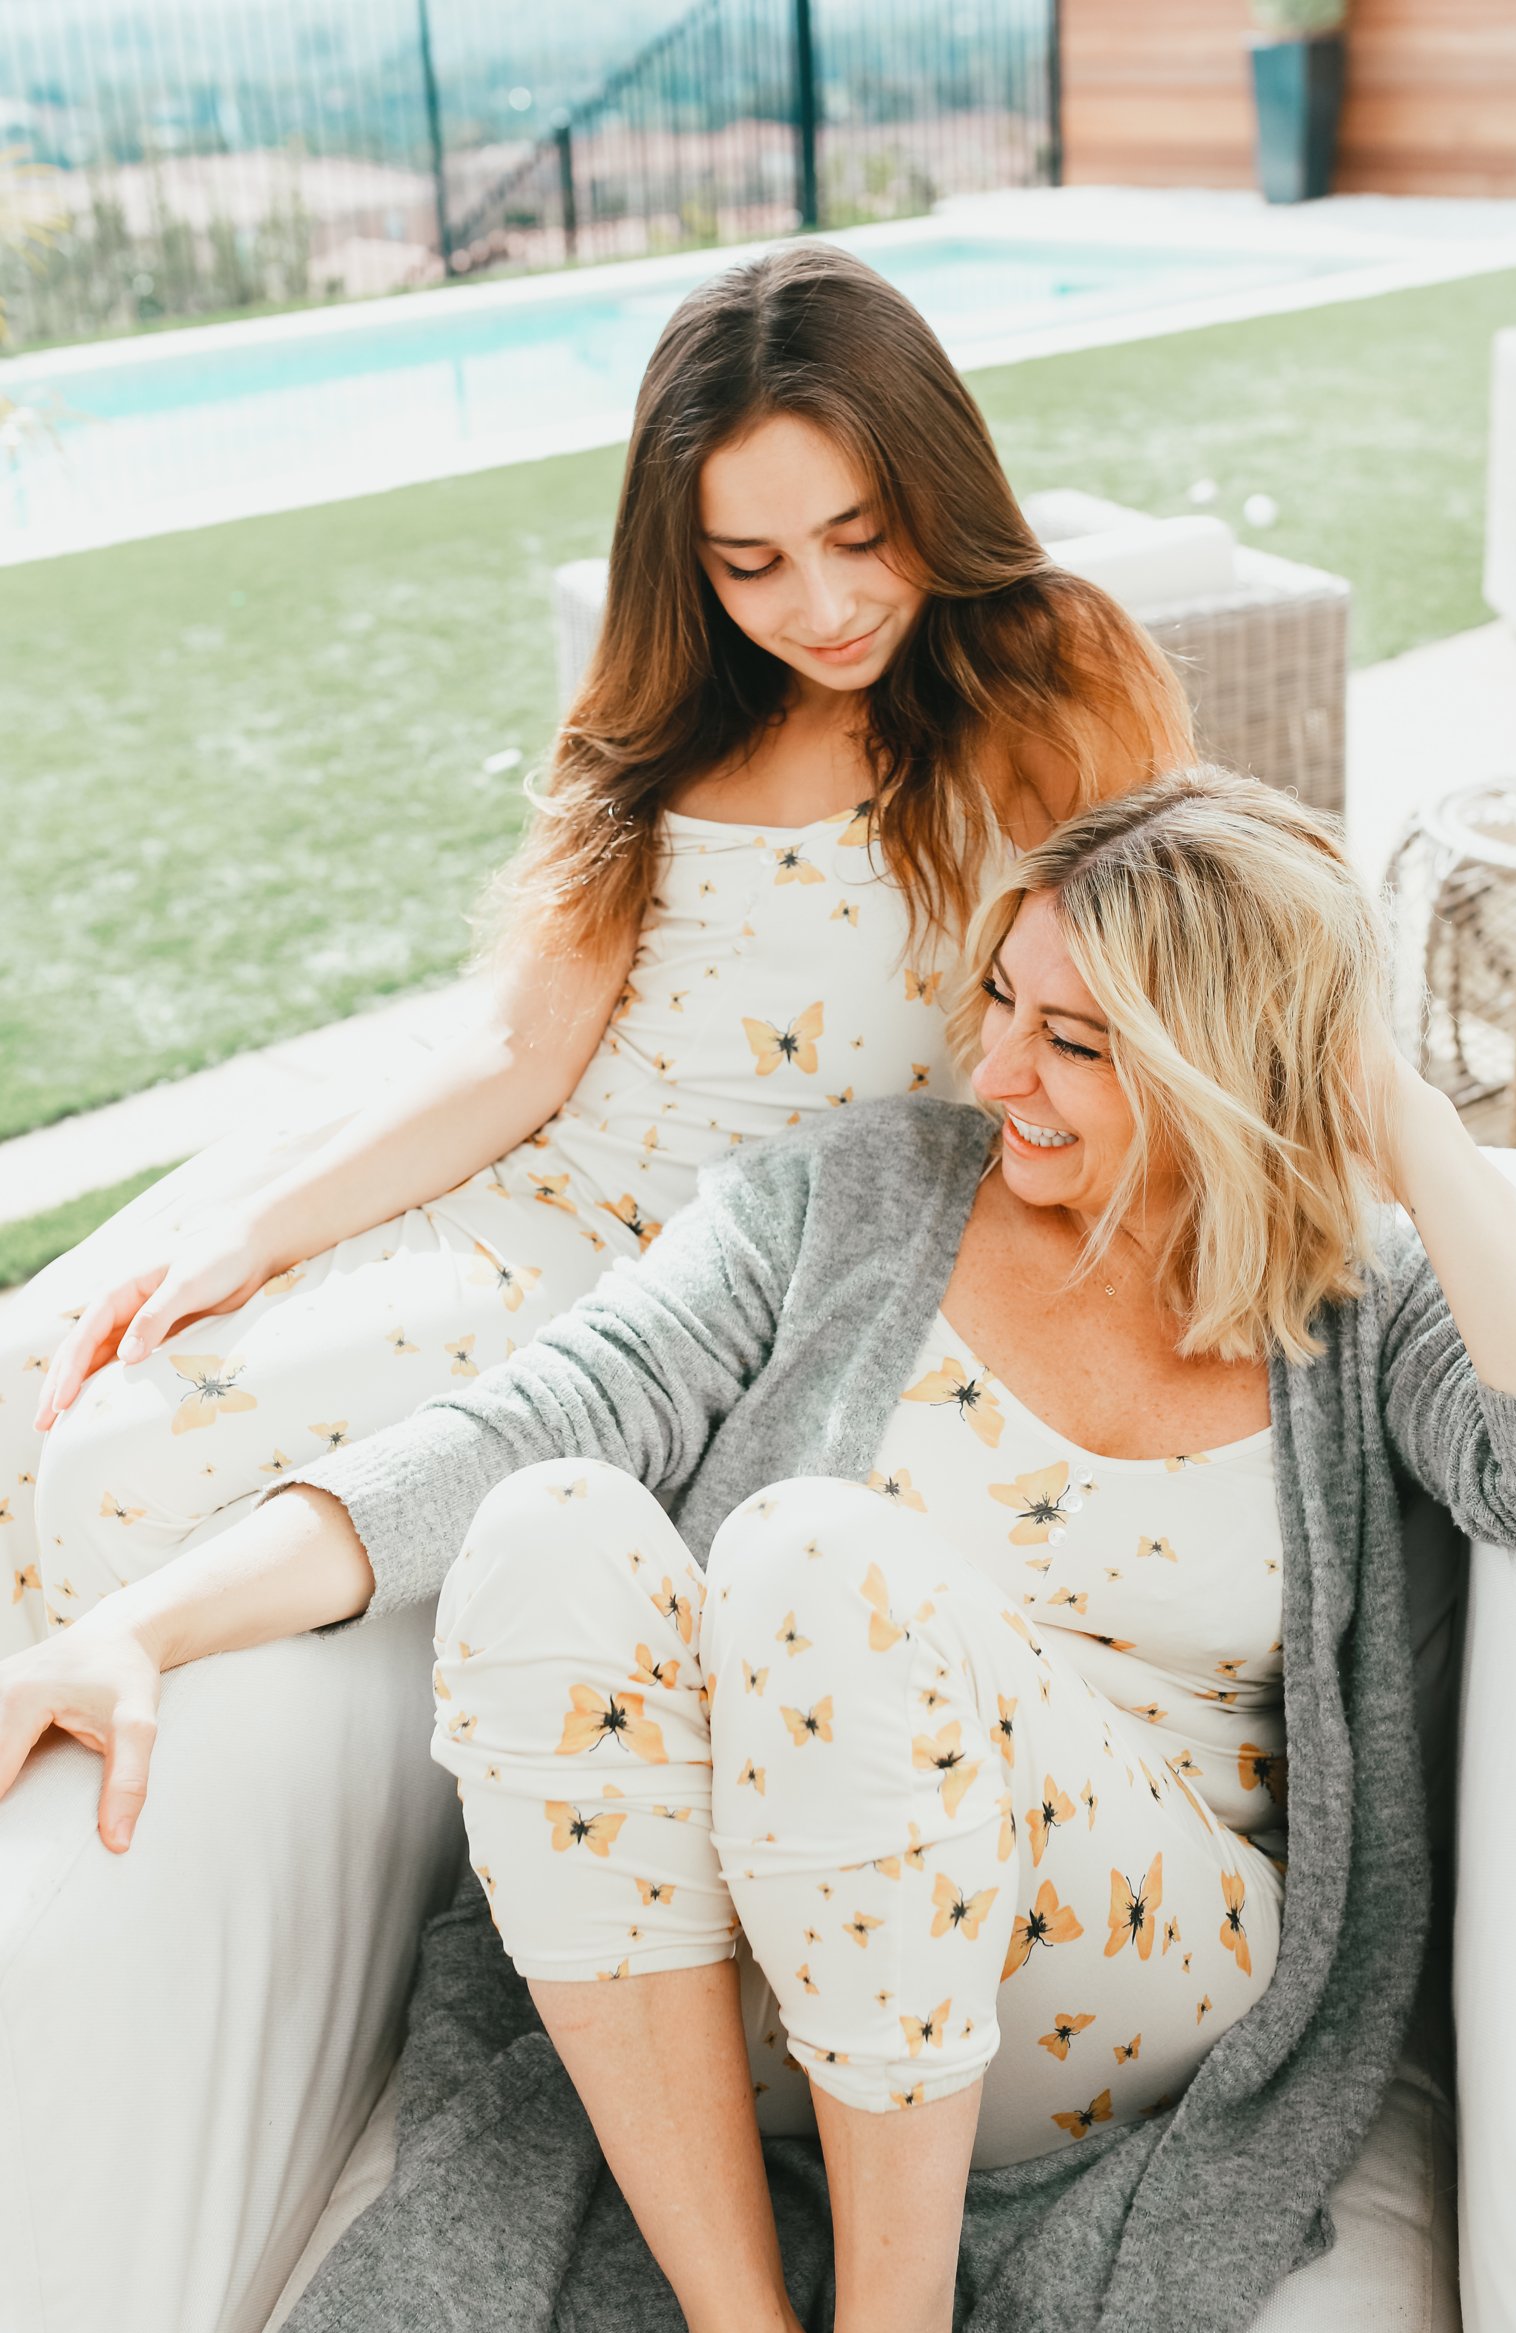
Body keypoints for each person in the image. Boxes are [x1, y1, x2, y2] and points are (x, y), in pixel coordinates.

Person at [4, 769, 1516, 2333]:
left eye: (1079, 1044)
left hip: (1118, 1963)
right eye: (1005, 1003)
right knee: (550, 1528)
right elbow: (525, 1417)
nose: (998, 1070)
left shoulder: (1355, 1297)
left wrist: (1381, 1098)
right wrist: (134, 1621)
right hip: (773, 1934)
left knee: (817, 1561)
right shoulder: (854, 1196)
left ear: (1226, 1061)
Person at [0, 239, 1189, 1661]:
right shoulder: (673, 716)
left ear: (935, 481)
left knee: (115, 1471)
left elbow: (1182, 986)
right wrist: (256, 1237)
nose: (819, 606)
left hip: (692, 1269)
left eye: (859, 535)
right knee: (50, 1392)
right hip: (536, 1197)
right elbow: (518, 1051)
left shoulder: (1054, 676)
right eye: (751, 563)